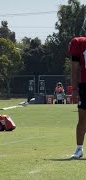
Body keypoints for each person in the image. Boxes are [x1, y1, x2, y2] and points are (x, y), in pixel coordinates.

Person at [68, 19, 86, 159]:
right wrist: (74, 89)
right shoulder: (79, 43)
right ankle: (79, 148)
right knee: (82, 118)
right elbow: (74, 68)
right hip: (84, 85)